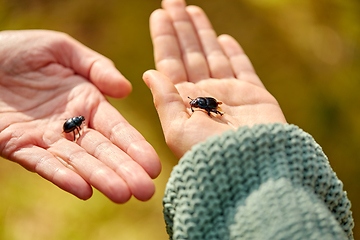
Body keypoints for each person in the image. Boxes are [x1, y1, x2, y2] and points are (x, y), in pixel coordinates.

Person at [143, 0, 354, 239]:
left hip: (212, 105)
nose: (193, 105)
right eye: (193, 104)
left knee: (210, 108)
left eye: (192, 104)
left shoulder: (200, 104)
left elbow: (204, 103)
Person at [0, 30, 161, 204]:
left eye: (81, 122)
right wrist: (75, 134)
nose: (81, 122)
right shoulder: (76, 124)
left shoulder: (76, 122)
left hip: (66, 127)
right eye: (81, 121)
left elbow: (73, 125)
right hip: (67, 127)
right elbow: (74, 127)